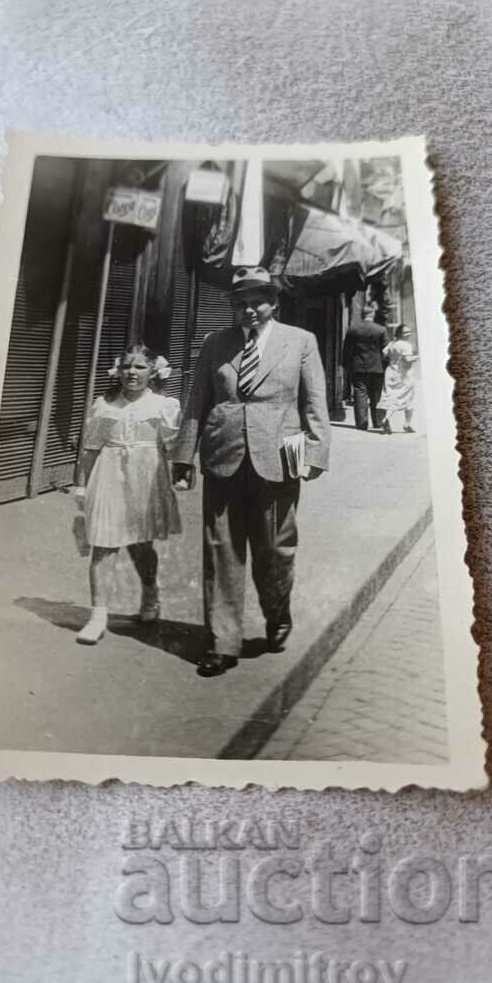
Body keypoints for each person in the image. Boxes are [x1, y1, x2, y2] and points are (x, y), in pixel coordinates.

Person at [171, 266, 331, 678]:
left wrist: (315, 454)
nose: (249, 310)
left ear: (273, 302)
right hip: (222, 454)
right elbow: (197, 401)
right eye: (240, 302)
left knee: (276, 547)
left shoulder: (302, 342)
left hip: (283, 453)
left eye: (257, 301)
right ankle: (223, 642)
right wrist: (184, 456)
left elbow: (314, 403)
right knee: (220, 548)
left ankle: (278, 612)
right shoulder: (214, 343)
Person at [75, 345, 182, 644]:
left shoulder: (164, 405)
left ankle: (150, 596)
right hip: (108, 474)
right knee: (103, 543)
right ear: (117, 371)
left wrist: (181, 475)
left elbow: (174, 447)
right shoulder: (105, 405)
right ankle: (98, 616)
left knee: (140, 544)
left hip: (147, 477)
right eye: (126, 367)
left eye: (139, 367)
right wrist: (82, 488)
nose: (131, 373)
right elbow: (91, 449)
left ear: (153, 372)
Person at [342, 302, 388, 430]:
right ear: (372, 314)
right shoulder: (381, 330)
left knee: (360, 393)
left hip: (358, 367)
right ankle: (377, 422)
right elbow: (386, 351)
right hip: (377, 367)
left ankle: (362, 423)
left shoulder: (353, 329)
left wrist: (346, 365)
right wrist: (386, 366)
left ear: (362, 315)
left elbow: (346, 349)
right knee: (376, 394)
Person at [382, 324, 418, 434]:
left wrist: (394, 359)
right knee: (409, 398)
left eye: (409, 332)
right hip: (404, 374)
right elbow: (407, 359)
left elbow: (384, 354)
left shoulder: (392, 344)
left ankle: (387, 418)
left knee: (392, 397)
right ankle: (406, 424)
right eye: (405, 332)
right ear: (400, 334)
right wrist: (417, 357)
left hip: (391, 372)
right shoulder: (406, 345)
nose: (408, 334)